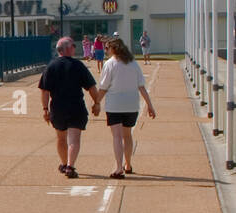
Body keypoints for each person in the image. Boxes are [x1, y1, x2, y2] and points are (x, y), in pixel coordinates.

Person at [39, 37, 102, 179]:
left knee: (61, 138)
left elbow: (44, 90)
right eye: (73, 45)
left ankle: (64, 163)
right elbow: (91, 87)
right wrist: (96, 103)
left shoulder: (51, 66)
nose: (75, 47)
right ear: (67, 49)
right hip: (76, 108)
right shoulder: (78, 65)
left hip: (58, 108)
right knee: (74, 139)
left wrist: (45, 109)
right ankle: (70, 165)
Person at [94, 37, 156, 179]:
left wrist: (97, 102)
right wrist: (149, 105)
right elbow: (141, 86)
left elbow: (103, 87)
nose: (106, 51)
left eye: (107, 48)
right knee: (127, 136)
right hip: (131, 104)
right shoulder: (133, 64)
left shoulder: (110, 64)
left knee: (116, 136)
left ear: (113, 49)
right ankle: (128, 164)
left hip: (114, 105)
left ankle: (118, 167)